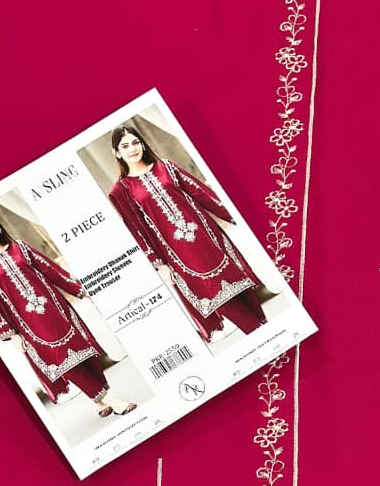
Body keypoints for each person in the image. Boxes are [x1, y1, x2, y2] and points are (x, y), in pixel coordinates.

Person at [106, 126, 266, 342]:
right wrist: (158, 263)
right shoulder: (121, 191)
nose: (132, 149)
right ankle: (259, 335)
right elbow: (136, 230)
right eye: (125, 146)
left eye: (135, 142)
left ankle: (266, 331)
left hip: (208, 238)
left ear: (142, 144)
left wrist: (234, 216)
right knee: (214, 296)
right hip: (178, 255)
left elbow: (200, 192)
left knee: (241, 287)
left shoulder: (166, 167)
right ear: (117, 153)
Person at [0, 210, 136, 416]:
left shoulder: (20, 247)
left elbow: (49, 269)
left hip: (56, 310)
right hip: (28, 325)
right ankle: (112, 400)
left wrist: (78, 290)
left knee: (81, 353)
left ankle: (100, 403)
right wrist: (11, 333)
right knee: (60, 362)